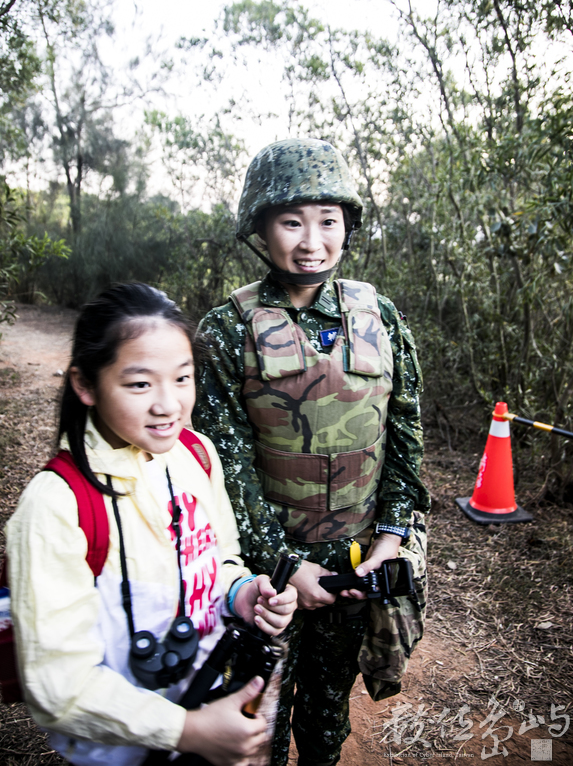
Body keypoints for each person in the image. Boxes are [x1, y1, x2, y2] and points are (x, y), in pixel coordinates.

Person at [192, 138, 431, 766]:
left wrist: (389, 540)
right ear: (261, 229)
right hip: (268, 581)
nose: (311, 240)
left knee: (327, 720)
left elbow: (404, 437)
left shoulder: (380, 315)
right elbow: (224, 468)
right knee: (256, 724)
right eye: (291, 221)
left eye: (328, 221)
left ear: (347, 226)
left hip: (357, 566)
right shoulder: (225, 331)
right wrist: (285, 565)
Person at [5, 282, 297, 766]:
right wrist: (188, 730)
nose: (169, 404)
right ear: (85, 385)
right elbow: (59, 686)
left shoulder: (195, 454)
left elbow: (219, 556)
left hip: (210, 701)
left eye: (183, 378)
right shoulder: (59, 506)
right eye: (140, 383)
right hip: (125, 749)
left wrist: (240, 591)